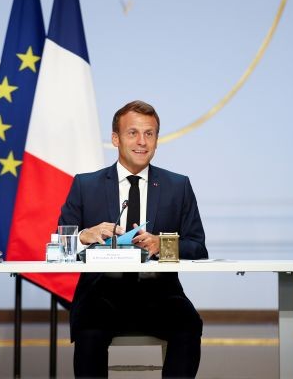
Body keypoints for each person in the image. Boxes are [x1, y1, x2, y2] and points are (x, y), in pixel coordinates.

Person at [58, 100, 208, 378]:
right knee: (89, 332)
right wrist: (84, 236)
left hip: (160, 295)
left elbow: (198, 247)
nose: (142, 142)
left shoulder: (178, 186)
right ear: (115, 138)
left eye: (149, 133)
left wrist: (161, 245)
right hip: (101, 294)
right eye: (133, 133)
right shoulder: (85, 185)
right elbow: (60, 246)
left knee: (188, 326)